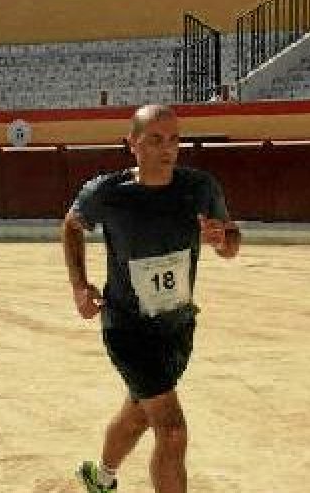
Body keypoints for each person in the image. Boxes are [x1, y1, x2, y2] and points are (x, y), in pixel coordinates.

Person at [63, 104, 241, 493]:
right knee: (172, 429)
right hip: (127, 327)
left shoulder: (199, 188)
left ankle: (100, 477)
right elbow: (72, 225)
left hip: (177, 326)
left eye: (175, 139)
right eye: (156, 139)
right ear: (133, 144)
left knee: (140, 414)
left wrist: (223, 240)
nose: (168, 148)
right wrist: (79, 285)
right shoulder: (108, 193)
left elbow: (231, 243)